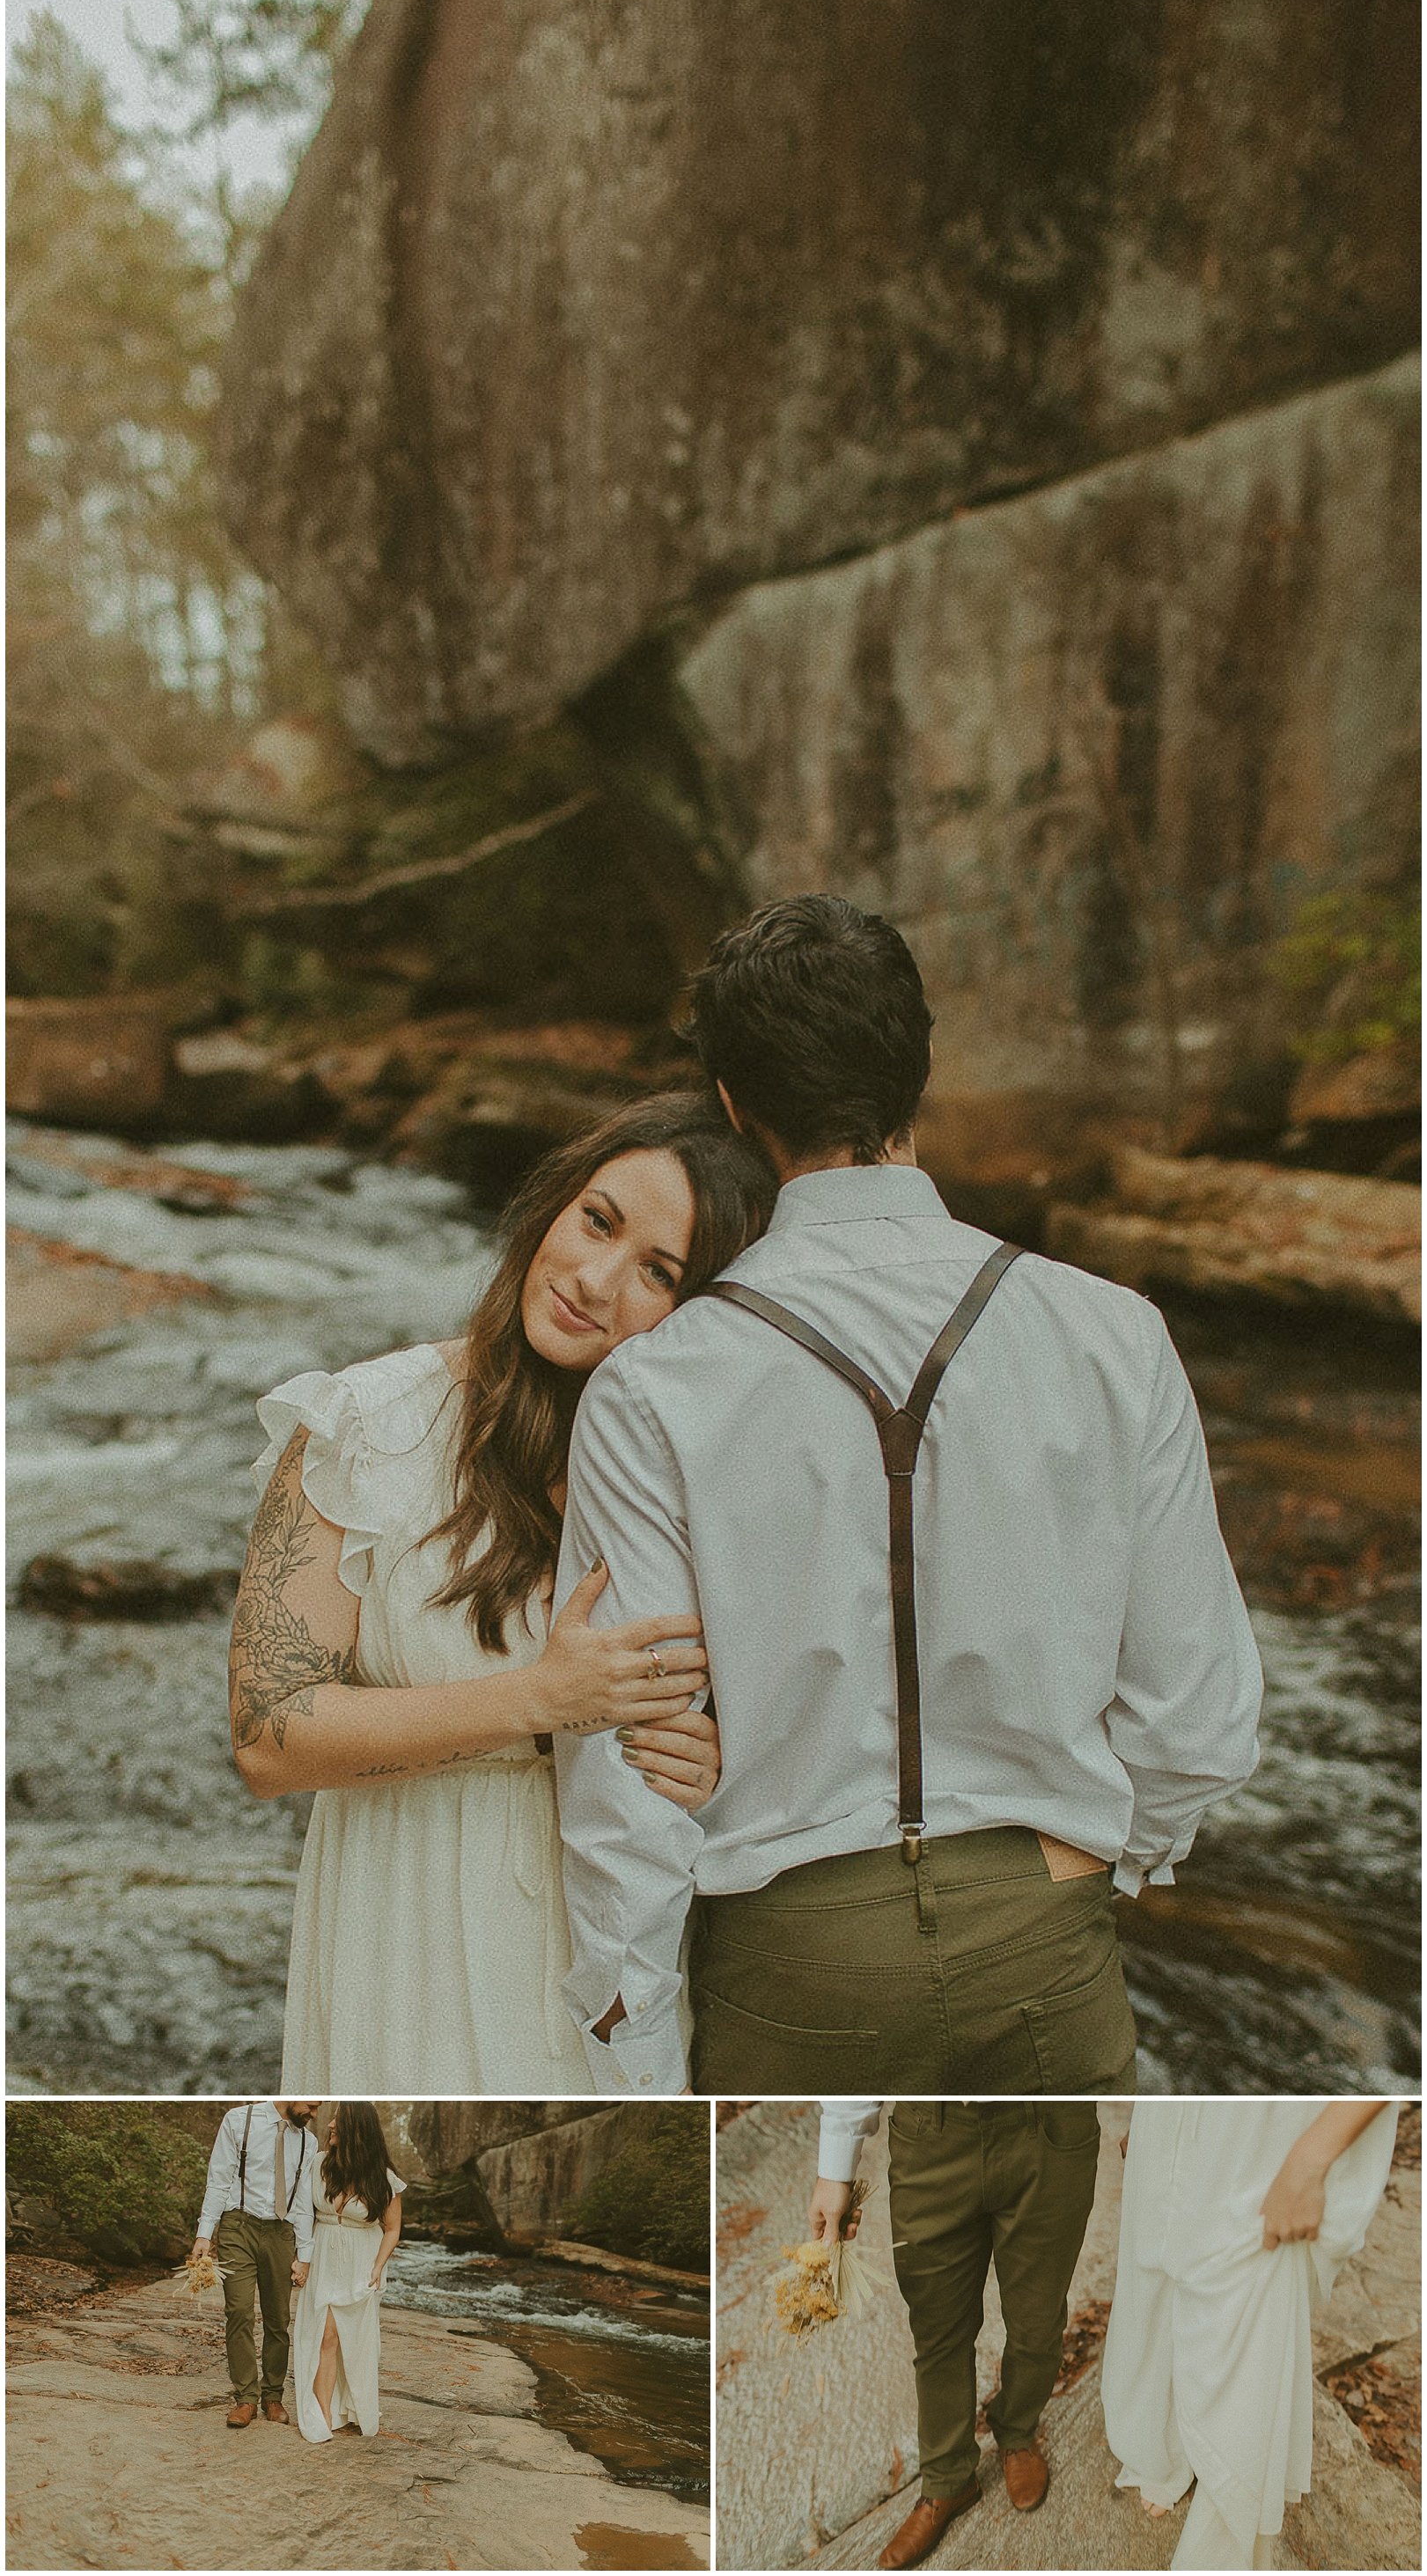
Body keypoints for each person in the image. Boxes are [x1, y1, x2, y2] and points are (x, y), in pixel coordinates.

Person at [554, 894, 1264, 2095]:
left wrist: (633, 2028)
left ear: (734, 1105)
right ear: (915, 1080)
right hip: (1045, 1936)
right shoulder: (1114, 1335)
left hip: (789, 1951)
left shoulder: (649, 1386)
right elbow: (1196, 1708)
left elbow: (637, 1751)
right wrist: (1101, 1858)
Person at [229, 1090, 775, 2090]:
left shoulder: (709, 1478)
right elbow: (269, 1737)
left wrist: (714, 1766)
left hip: (624, 1936)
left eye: (660, 1273)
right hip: (406, 1916)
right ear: (553, 1205)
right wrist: (539, 1707)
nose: (595, 1280)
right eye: (596, 1222)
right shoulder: (358, 1425)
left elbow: (773, 1724)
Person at [1101, 2099, 1399, 2571]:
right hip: (1182, 2098)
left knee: (1243, 2291)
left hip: (1266, 2119)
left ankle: (1226, 2516)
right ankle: (1169, 2440)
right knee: (1157, 2256)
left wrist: (1309, 2163)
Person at [810, 2099, 1104, 2567]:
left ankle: (1018, 2433)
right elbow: (866, 2030)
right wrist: (836, 2165)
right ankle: (947, 2479)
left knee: (1037, 2321)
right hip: (933, 2137)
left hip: (1050, 2130)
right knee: (937, 2328)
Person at [193, 2098, 320, 2427]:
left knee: (278, 2318)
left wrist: (303, 2256)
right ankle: (245, 2398)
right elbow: (219, 2178)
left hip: (282, 2232)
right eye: (311, 2105)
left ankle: (273, 2396)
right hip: (239, 2226)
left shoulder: (308, 2140)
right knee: (238, 2311)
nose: (315, 2113)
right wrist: (205, 2234)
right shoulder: (239, 2120)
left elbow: (304, 2200)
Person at [291, 2102, 406, 2443]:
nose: (330, 2126)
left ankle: (352, 2406)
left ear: (357, 2130)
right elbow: (303, 2215)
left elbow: (392, 2228)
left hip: (361, 2263)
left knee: (353, 2341)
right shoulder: (320, 2165)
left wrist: (377, 2266)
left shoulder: (384, 2178)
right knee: (325, 2335)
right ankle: (322, 2412)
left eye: (338, 2122)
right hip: (324, 2255)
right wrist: (302, 2257)